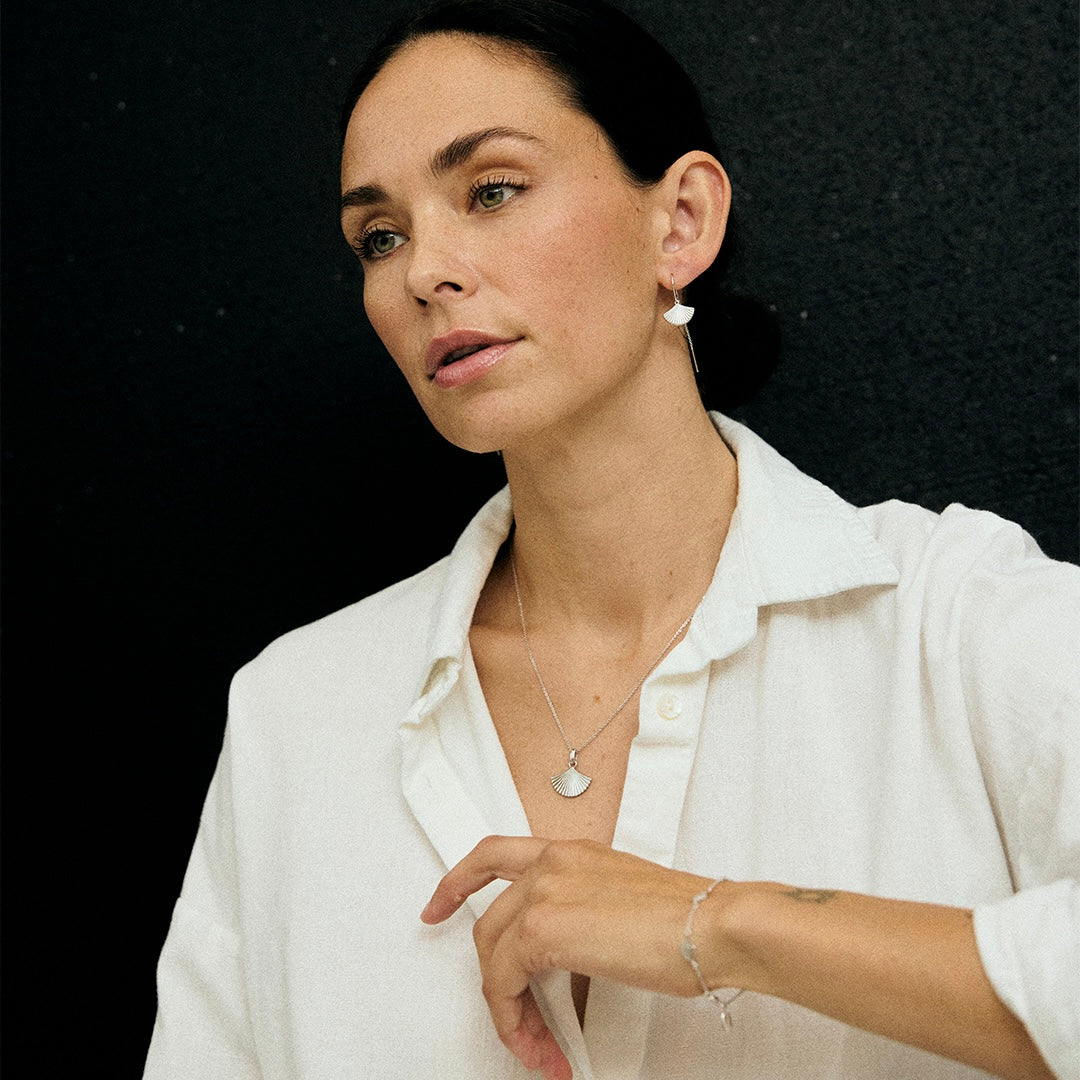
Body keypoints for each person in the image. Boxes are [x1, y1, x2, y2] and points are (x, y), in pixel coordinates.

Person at [143, 1, 1079, 1077]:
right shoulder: (299, 712)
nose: (423, 270)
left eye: (492, 190)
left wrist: (721, 924)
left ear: (680, 221)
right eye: (379, 237)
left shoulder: (954, 621)